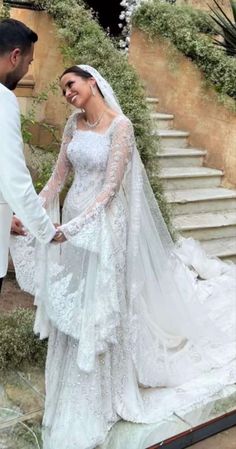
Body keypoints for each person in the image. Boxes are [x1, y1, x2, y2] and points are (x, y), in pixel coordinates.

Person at [10, 65, 236, 449]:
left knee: (97, 306)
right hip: (72, 226)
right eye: (62, 88)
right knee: (72, 304)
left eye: (71, 84)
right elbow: (56, 179)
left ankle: (102, 396)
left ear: (92, 81)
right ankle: (69, 389)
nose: (67, 93)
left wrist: (76, 227)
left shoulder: (121, 127)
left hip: (103, 227)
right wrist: (30, 214)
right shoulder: (72, 126)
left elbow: (111, 190)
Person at [0, 18, 58, 292]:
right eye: (29, 62)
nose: (26, 69)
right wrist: (46, 231)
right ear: (15, 56)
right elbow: (14, 179)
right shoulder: (3, 99)